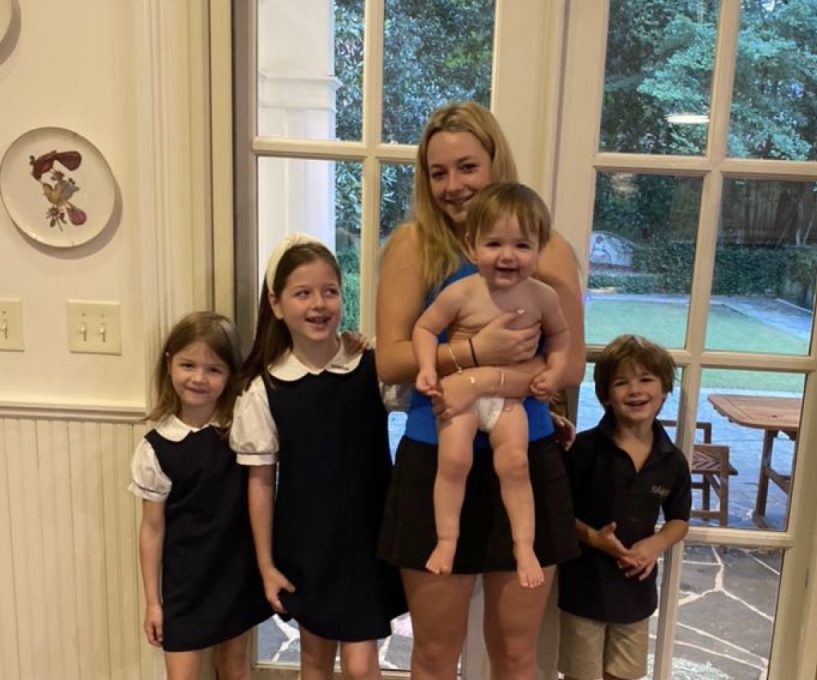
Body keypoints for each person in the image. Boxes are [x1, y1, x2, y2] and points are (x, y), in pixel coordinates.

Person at [376, 100, 585, 679]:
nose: (452, 185)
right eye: (437, 172)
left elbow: (570, 366)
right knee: (435, 654)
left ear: (496, 163)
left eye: (466, 167)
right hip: (435, 456)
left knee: (516, 653)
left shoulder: (549, 248)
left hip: (526, 456)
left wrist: (485, 378)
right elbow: (390, 360)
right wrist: (473, 352)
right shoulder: (414, 245)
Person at [231, 235, 406, 680]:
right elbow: (259, 484)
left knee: (362, 661)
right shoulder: (264, 390)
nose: (319, 303)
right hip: (307, 544)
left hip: (367, 537)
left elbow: (422, 396)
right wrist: (267, 565)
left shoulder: (370, 367)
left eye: (330, 291)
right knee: (314, 656)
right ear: (276, 303)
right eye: (302, 293)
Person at [412, 182, 570, 588]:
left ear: (539, 249)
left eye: (521, 245)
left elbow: (561, 337)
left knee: (515, 465)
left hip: (510, 403)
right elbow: (425, 328)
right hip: (460, 398)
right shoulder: (460, 292)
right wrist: (428, 368)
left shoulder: (543, 296)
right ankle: (447, 541)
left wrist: (553, 370)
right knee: (454, 463)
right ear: (471, 247)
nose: (507, 255)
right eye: (494, 243)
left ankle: (523, 545)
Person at [129, 311, 271, 680]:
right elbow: (152, 529)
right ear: (169, 365)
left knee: (235, 667)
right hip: (184, 585)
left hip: (235, 572)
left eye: (214, 369)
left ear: (230, 375)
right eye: (188, 365)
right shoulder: (155, 448)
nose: (198, 378)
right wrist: (152, 602)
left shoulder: (242, 427)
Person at [557, 334, 691, 680]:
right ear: (605, 396)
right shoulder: (584, 449)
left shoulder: (672, 460)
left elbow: (679, 519)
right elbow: (557, 513)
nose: (635, 390)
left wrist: (655, 545)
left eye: (646, 379)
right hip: (584, 590)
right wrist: (594, 537)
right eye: (621, 382)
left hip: (635, 595)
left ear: (664, 391)